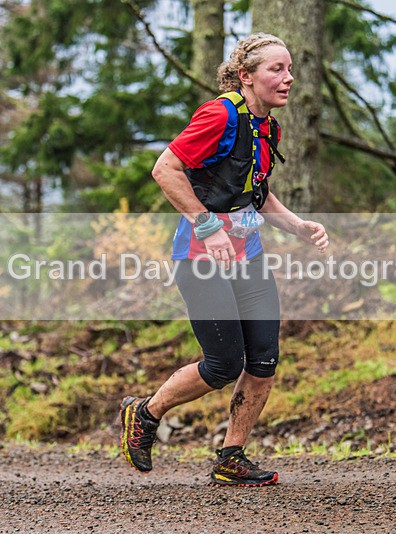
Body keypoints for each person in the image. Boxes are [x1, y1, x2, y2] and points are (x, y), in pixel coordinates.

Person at [119, 33, 329, 487]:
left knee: (263, 361)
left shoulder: (267, 126)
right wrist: (206, 224)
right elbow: (165, 169)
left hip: (248, 256)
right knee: (222, 364)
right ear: (246, 76)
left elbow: (256, 191)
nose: (289, 77)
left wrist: (299, 226)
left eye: (290, 68)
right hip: (200, 258)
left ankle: (231, 457)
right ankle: (145, 411)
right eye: (277, 69)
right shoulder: (220, 115)